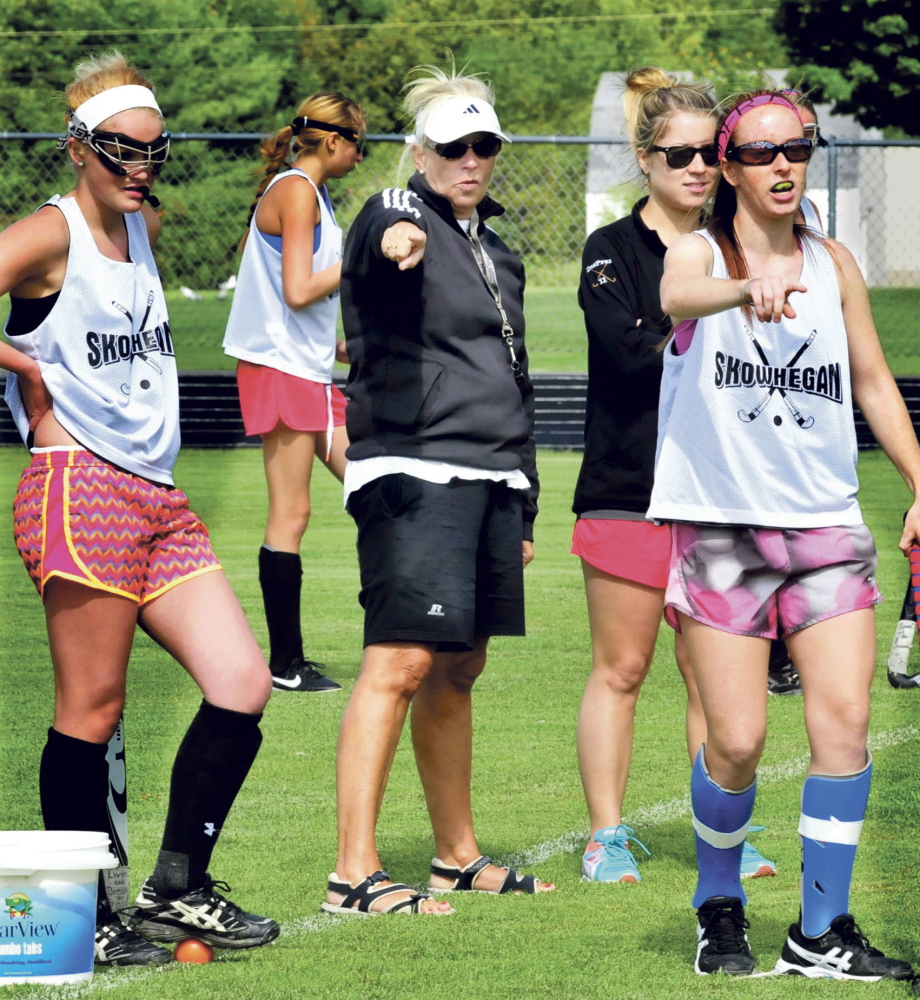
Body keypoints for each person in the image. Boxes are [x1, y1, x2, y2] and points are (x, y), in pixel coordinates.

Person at [0, 53, 279, 966]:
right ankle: (84, 916)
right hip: (79, 487)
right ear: (79, 148)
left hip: (158, 496)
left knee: (240, 682)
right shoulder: (52, 231)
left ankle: (177, 887)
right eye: (122, 151)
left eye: (155, 151)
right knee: (91, 705)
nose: (140, 166)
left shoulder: (136, 225)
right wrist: (25, 367)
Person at [649, 89, 920, 979]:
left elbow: (874, 385)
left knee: (843, 725)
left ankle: (820, 930)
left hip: (828, 527)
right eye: (761, 152)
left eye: (797, 149)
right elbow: (678, 297)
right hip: (724, 532)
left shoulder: (834, 262)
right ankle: (718, 903)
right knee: (735, 742)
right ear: (727, 166)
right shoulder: (699, 250)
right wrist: (744, 286)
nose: (782, 165)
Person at [323, 64, 553, 915]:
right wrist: (398, 239)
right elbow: (387, 228)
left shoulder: (498, 250)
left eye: (483, 145)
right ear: (421, 152)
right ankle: (353, 873)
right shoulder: (400, 210)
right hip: (415, 467)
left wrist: (523, 497)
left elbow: (515, 377)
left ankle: (457, 859)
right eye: (452, 146)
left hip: (492, 476)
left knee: (460, 666)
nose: (470, 159)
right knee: (403, 659)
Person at [573, 68, 775, 884]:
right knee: (622, 670)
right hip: (628, 491)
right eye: (678, 154)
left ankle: (720, 834)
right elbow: (628, 354)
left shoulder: (744, 246)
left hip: (720, 497)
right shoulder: (612, 251)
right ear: (646, 159)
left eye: (709, 152)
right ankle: (607, 835)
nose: (696, 168)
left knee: (713, 677)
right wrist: (718, 303)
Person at [223, 94, 365, 694]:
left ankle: (408, 629)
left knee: (374, 481)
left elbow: (294, 299)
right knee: (293, 512)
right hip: (279, 371)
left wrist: (335, 347)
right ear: (332, 141)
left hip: (303, 368)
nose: (362, 153)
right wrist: (367, 258)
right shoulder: (298, 190)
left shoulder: (314, 194)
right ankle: (285, 664)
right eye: (360, 141)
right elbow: (300, 288)